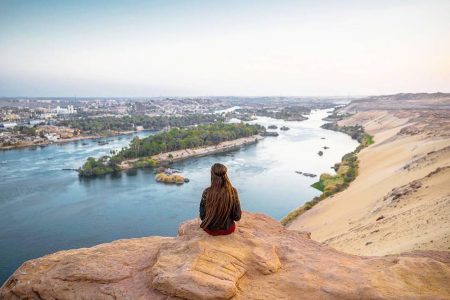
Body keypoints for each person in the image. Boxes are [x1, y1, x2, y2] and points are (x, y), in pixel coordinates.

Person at [199, 163, 241, 236]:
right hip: (228, 230)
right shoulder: (232, 191)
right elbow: (237, 217)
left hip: (210, 230)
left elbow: (202, 216)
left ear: (212, 175)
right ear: (225, 175)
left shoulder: (206, 192)